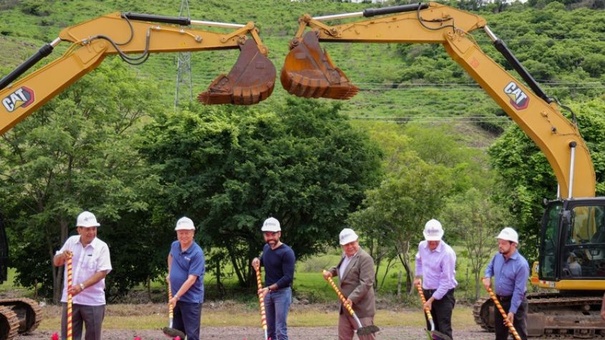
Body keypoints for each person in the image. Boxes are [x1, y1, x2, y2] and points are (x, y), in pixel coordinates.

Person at [53, 211, 112, 340]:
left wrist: (81, 286)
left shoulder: (101, 247)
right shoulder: (71, 242)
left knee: (93, 337)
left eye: (94, 229)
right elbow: (56, 262)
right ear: (79, 229)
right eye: (87, 229)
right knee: (69, 336)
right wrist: (62, 256)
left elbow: (102, 272)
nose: (91, 232)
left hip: (93, 301)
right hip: (70, 299)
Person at [323, 228, 376, 340]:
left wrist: (352, 298)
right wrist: (331, 272)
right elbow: (341, 269)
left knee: (367, 337)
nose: (350, 246)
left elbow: (366, 283)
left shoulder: (366, 259)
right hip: (345, 308)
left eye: (352, 243)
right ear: (342, 246)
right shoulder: (345, 255)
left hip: (362, 310)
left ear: (357, 241)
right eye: (346, 244)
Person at [251, 217, 295, 340]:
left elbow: (288, 278)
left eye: (273, 234)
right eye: (267, 234)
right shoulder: (266, 249)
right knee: (270, 330)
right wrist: (257, 260)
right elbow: (264, 261)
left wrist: (269, 288)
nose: (270, 238)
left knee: (280, 330)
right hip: (268, 293)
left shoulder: (287, 252)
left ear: (279, 233)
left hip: (282, 293)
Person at [482, 227, 530, 340]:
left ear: (513, 244)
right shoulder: (497, 256)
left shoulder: (521, 265)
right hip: (500, 301)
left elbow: (519, 291)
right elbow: (490, 268)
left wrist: (512, 311)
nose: (500, 246)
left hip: (516, 303)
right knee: (500, 335)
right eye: (499, 243)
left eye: (503, 243)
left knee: (519, 334)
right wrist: (487, 277)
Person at [413, 219, 457, 340]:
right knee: (432, 328)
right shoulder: (422, 246)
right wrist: (418, 276)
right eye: (430, 239)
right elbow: (418, 259)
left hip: (444, 295)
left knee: (444, 329)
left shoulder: (447, 253)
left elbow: (446, 283)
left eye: (435, 239)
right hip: (428, 291)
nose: (432, 242)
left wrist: (431, 301)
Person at [167, 216, 206, 340]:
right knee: (177, 334)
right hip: (177, 299)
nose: (183, 236)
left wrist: (176, 296)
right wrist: (170, 272)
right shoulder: (175, 245)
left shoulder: (197, 253)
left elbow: (191, 279)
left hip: (191, 300)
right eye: (180, 233)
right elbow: (171, 256)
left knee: (192, 335)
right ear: (177, 233)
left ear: (193, 233)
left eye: (186, 233)